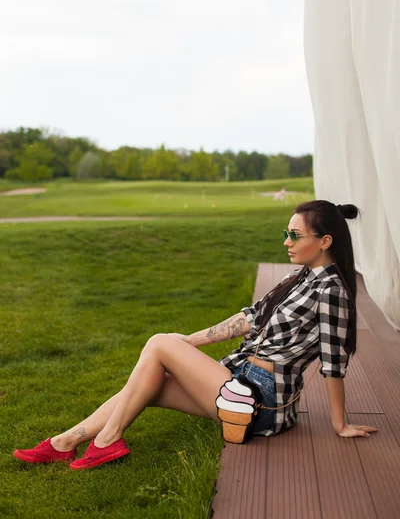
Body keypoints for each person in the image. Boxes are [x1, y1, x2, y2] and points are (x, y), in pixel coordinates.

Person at [13, 200, 378, 470]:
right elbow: (249, 318)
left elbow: (334, 361)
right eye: (286, 233)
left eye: (294, 235)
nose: (286, 241)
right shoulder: (298, 277)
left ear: (325, 240)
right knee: (148, 382)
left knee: (158, 342)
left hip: (260, 403)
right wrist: (187, 342)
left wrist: (339, 423)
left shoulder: (331, 291)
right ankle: (66, 442)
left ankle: (107, 440)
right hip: (237, 382)